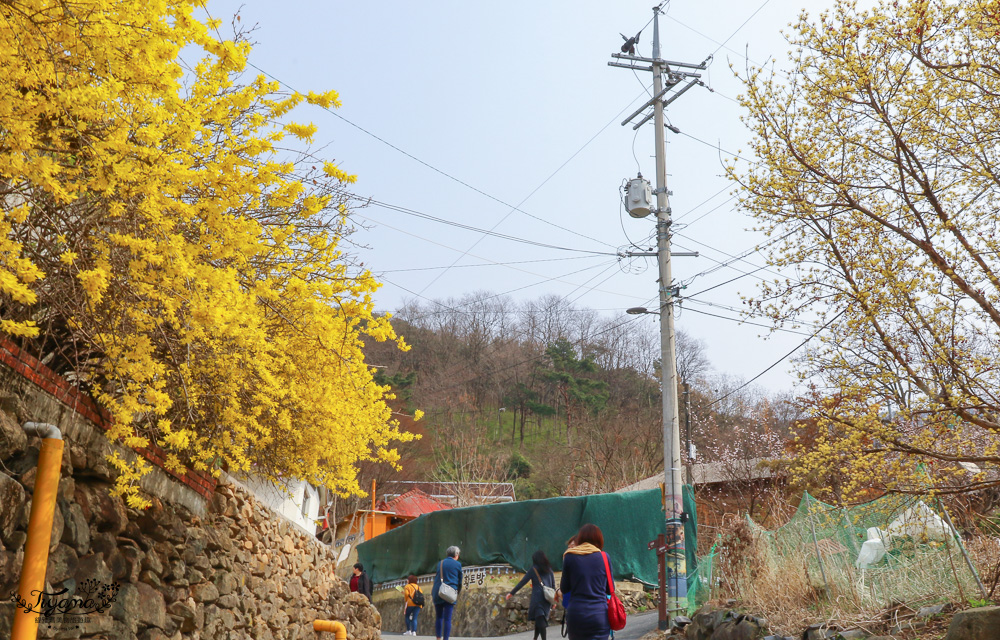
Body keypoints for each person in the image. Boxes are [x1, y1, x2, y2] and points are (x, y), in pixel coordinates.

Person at [560, 524, 612, 640]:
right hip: (599, 616)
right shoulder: (604, 557)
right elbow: (609, 589)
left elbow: (564, 588)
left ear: (580, 539)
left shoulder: (569, 557)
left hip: (576, 616)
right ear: (599, 539)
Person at [506, 550, 557, 640]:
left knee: (540, 620)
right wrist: (554, 600)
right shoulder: (549, 569)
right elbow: (553, 586)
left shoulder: (533, 569)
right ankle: (535, 638)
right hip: (547, 599)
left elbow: (522, 582)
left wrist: (511, 593)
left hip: (537, 599)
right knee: (540, 618)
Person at [431, 545, 462, 640]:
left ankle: (438, 638)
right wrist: (457, 592)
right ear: (456, 555)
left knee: (439, 617)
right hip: (449, 593)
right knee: (447, 619)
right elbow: (459, 581)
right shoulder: (457, 564)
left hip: (438, 591)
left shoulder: (440, 563)